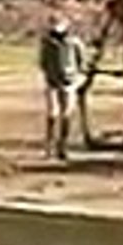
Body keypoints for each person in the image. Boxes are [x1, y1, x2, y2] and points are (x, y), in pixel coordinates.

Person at [38, 14, 86, 160]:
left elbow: (81, 61)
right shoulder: (47, 43)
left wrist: (76, 77)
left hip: (69, 81)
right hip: (52, 82)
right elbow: (43, 62)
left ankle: (63, 145)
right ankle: (49, 146)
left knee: (66, 115)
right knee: (52, 114)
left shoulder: (75, 43)